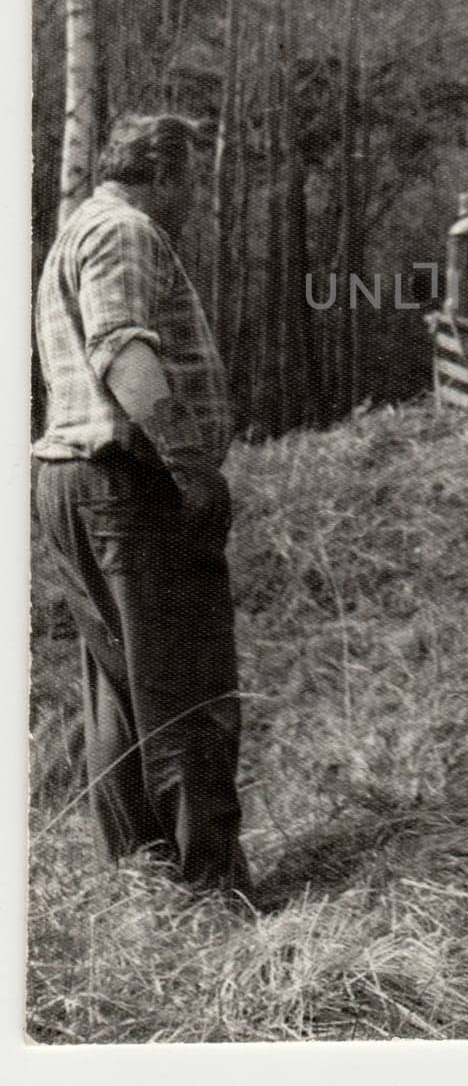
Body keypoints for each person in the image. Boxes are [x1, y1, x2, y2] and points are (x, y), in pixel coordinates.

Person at [33, 112, 253, 908]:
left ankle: (140, 880)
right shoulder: (126, 230)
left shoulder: (77, 230)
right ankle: (210, 890)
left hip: (71, 479)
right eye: (191, 179)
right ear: (165, 172)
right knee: (187, 689)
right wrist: (188, 461)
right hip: (125, 482)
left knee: (122, 694)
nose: (193, 199)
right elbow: (122, 346)